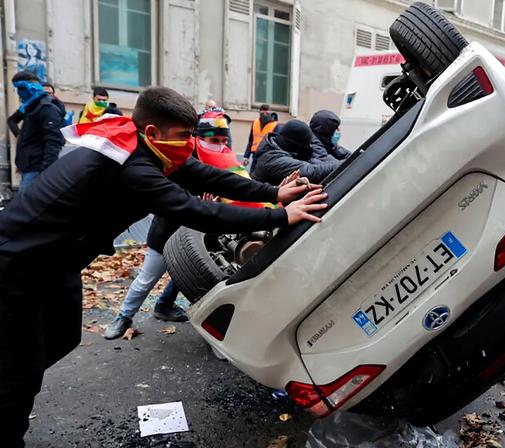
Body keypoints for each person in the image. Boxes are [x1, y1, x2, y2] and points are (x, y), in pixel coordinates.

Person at [0, 86, 327, 446]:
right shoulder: (132, 166)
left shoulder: (142, 146)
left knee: (62, 337)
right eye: (184, 135)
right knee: (21, 371)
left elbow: (208, 177)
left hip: (57, 264)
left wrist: (272, 193)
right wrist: (281, 216)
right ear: (153, 132)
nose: (190, 143)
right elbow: (196, 210)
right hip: (19, 267)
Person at [104, 107, 239, 339]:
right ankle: (124, 316)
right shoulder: (177, 158)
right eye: (213, 139)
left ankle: (165, 306)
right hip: (166, 233)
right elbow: (171, 196)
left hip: (195, 237)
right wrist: (200, 201)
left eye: (223, 140)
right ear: (198, 138)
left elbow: (232, 186)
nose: (218, 144)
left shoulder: (225, 160)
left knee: (188, 276)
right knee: (146, 279)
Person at [5, 71, 65, 193]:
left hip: (37, 170)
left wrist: (46, 172)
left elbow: (54, 142)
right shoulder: (31, 107)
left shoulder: (47, 109)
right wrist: (20, 136)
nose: (19, 93)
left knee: (26, 208)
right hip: (29, 168)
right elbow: (12, 121)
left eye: (21, 88)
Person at [253, 119, 342, 186]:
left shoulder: (281, 148)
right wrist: (346, 163)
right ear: (295, 145)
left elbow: (315, 160)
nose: (309, 148)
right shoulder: (272, 159)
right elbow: (311, 171)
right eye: (306, 145)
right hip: (266, 207)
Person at [243, 104, 279, 169]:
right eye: (262, 111)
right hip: (255, 155)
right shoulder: (255, 123)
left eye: (266, 111)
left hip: (267, 156)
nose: (264, 114)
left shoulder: (275, 125)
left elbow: (276, 144)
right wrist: (246, 156)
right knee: (252, 176)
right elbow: (251, 140)